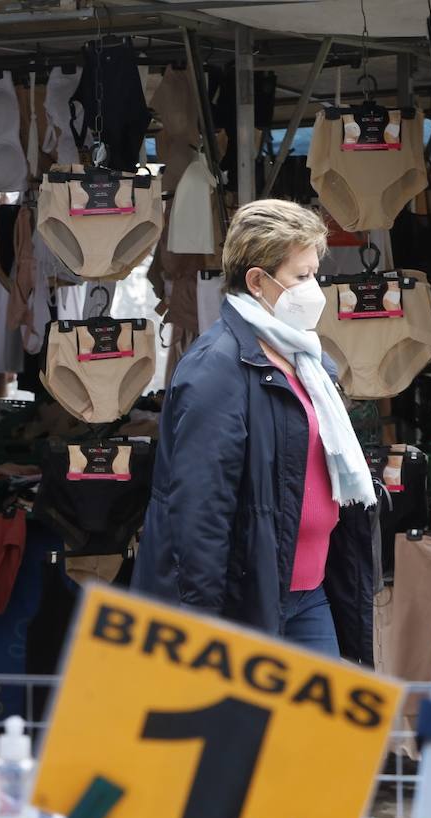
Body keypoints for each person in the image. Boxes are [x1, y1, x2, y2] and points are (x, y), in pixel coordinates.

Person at [131, 199, 378, 659]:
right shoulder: (216, 369)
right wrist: (203, 627)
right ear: (258, 281)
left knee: (317, 732)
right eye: (301, 276)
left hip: (310, 592)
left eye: (314, 274)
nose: (314, 289)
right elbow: (199, 511)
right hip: (248, 604)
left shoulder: (307, 359)